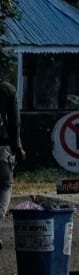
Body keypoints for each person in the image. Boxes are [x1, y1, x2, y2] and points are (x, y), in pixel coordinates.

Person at [0, 78, 22, 250]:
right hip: (2, 149)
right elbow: (14, 123)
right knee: (4, 187)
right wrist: (17, 148)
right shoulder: (7, 90)